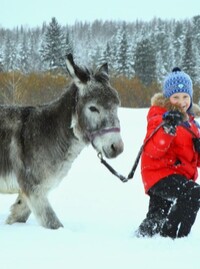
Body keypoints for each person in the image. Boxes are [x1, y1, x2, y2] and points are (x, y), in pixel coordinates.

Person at [136, 67, 200, 239]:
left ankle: (141, 240)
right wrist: (167, 128)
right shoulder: (159, 117)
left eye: (185, 96)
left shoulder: (192, 125)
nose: (182, 101)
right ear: (168, 98)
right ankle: (175, 237)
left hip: (178, 175)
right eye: (176, 97)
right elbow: (153, 150)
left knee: (156, 219)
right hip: (160, 174)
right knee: (194, 193)